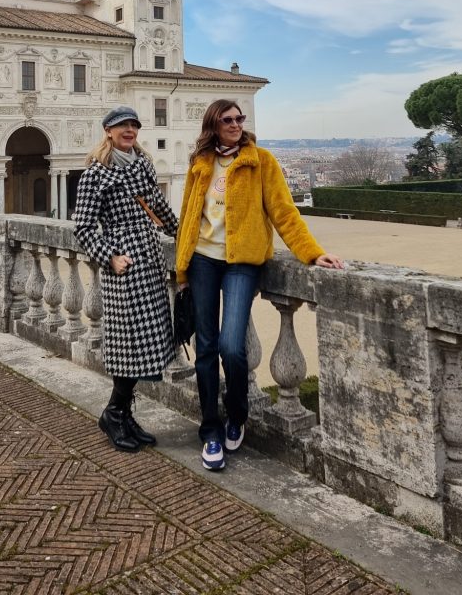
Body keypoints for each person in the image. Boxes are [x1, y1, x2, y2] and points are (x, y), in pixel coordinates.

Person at [176, 99, 344, 471]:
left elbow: (283, 211)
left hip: (241, 262)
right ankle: (210, 431)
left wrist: (312, 252)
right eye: (228, 119)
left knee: (231, 347)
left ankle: (237, 415)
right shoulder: (200, 162)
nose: (236, 124)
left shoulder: (261, 160)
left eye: (240, 119)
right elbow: (189, 212)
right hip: (203, 259)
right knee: (205, 349)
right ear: (214, 125)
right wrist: (182, 267)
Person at [74, 106, 178, 452]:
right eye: (122, 126)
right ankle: (114, 413)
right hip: (124, 262)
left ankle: (122, 412)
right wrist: (110, 258)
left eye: (133, 125)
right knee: (127, 342)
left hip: (148, 256)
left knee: (145, 341)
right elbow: (84, 228)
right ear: (108, 131)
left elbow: (159, 208)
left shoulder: (144, 163)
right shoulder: (95, 174)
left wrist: (186, 235)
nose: (129, 130)